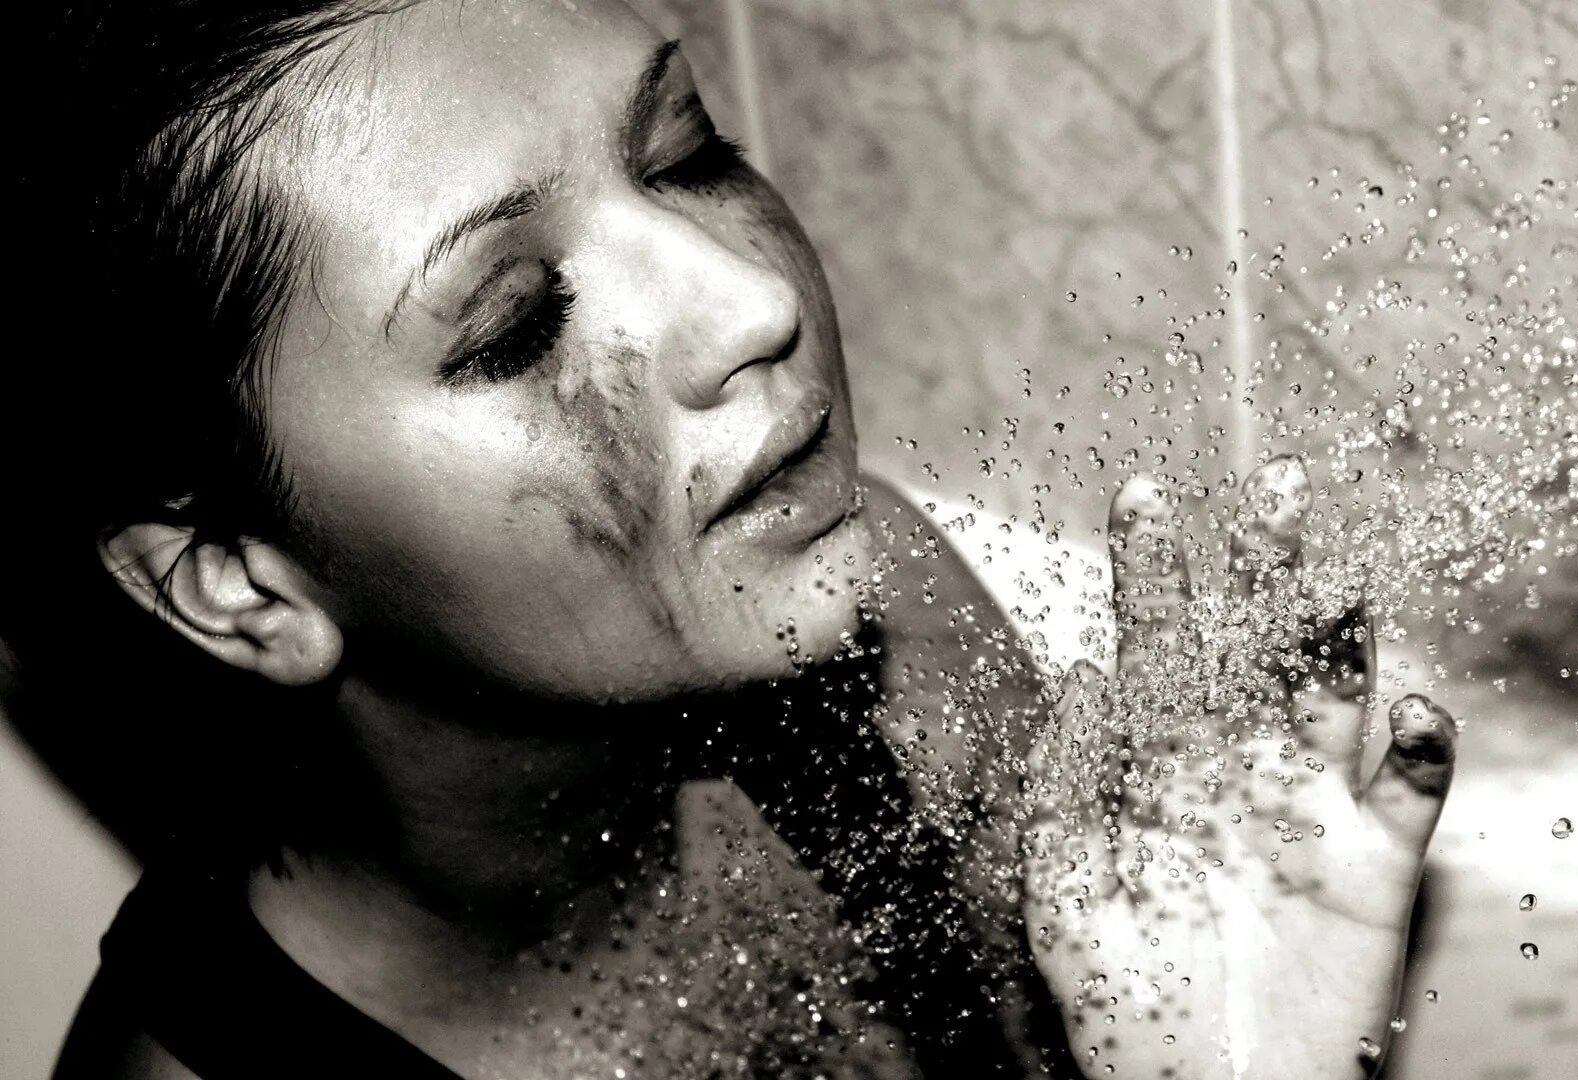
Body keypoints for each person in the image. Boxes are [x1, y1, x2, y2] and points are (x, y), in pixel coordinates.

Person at [8, 2, 1458, 1077]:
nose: (746, 299)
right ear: (240, 582)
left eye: (686, 157)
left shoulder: (867, 620)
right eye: (517, 324)